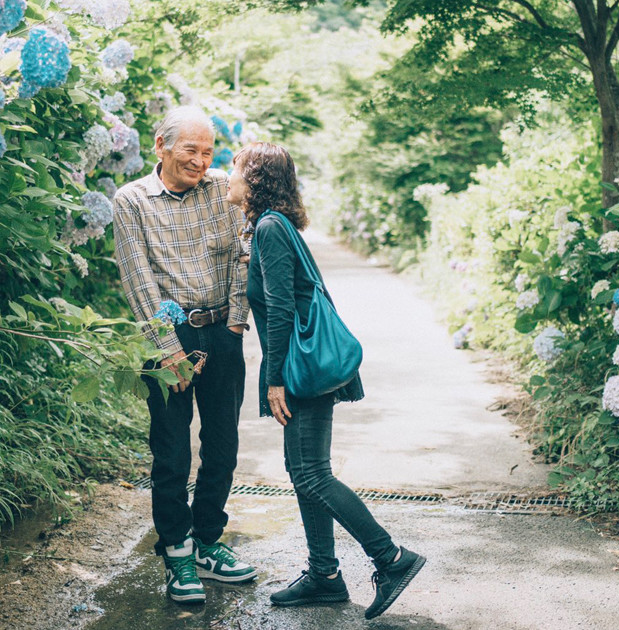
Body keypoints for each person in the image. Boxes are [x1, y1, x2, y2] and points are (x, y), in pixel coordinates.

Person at [228, 142, 426, 620]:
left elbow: (279, 308)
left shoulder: (271, 228)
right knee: (303, 472)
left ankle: (391, 559)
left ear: (255, 178)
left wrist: (273, 379)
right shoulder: (272, 226)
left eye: (233, 167)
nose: (226, 174)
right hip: (301, 364)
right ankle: (324, 574)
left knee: (313, 472)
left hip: (299, 369)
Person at [112, 107, 256, 604]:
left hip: (222, 332)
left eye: (206, 150)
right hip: (166, 337)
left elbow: (243, 255)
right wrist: (167, 349)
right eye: (189, 150)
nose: (200, 160)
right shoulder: (131, 200)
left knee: (223, 445)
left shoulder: (223, 190)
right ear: (160, 146)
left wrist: (236, 321)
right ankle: (177, 550)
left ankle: (209, 542)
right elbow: (137, 278)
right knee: (171, 452)